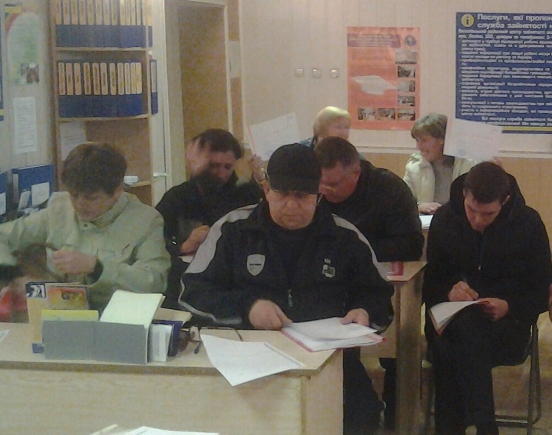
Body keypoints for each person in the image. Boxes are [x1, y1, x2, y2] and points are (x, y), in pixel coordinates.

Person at [180, 143, 394, 435]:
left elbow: (379, 296)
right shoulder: (232, 230)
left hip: (328, 361)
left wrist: (365, 312)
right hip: (248, 360)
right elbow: (193, 292)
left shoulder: (346, 238)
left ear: (319, 196)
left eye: (302, 196)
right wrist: (248, 307)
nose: (291, 206)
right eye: (282, 194)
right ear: (266, 189)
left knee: (362, 415)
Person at [423, 162, 552, 435]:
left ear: (505, 201)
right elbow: (429, 282)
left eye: (488, 213)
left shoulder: (528, 224)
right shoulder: (445, 219)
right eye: (472, 210)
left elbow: (542, 290)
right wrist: (448, 291)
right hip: (451, 321)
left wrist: (509, 306)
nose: (478, 220)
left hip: (506, 328)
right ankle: (485, 424)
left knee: (449, 349)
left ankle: (454, 428)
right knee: (461, 330)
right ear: (464, 194)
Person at [0, 142, 170, 312]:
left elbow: (154, 281)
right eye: (74, 195)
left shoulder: (146, 220)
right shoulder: (59, 209)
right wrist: (11, 276)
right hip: (58, 318)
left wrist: (97, 268)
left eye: (91, 198)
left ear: (117, 191)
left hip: (118, 319)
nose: (80, 204)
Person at [314, 136, 424, 430]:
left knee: (395, 354)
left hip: (381, 283)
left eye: (334, 184)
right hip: (325, 285)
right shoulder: (313, 192)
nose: (325, 191)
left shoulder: (389, 190)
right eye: (321, 183)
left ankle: (395, 415)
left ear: (356, 172)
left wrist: (355, 250)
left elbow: (411, 244)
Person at [156, 128, 262, 307]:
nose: (221, 173)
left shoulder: (247, 195)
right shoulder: (177, 197)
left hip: (234, 281)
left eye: (227, 167)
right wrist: (183, 246)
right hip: (185, 280)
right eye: (213, 166)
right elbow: (153, 242)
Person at [250, 106, 352, 184]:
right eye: (338, 127)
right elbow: (281, 184)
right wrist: (260, 176)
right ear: (321, 128)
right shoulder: (299, 152)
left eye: (346, 127)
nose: (344, 133)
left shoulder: (351, 156)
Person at [404, 113, 475, 214]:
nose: (419, 147)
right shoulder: (413, 167)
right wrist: (419, 206)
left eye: (424, 140)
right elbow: (403, 203)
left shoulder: (469, 164)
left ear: (442, 139)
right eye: (417, 141)